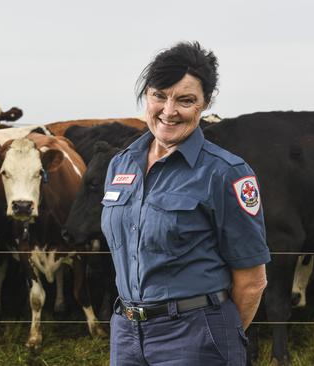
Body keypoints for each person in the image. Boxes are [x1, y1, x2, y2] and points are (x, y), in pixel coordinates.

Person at [102, 41, 270, 365]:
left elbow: (252, 282)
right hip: (126, 333)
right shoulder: (120, 165)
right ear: (146, 96)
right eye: (159, 95)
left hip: (195, 336)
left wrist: (217, 336)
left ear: (204, 104)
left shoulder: (226, 173)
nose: (168, 110)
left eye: (185, 100)